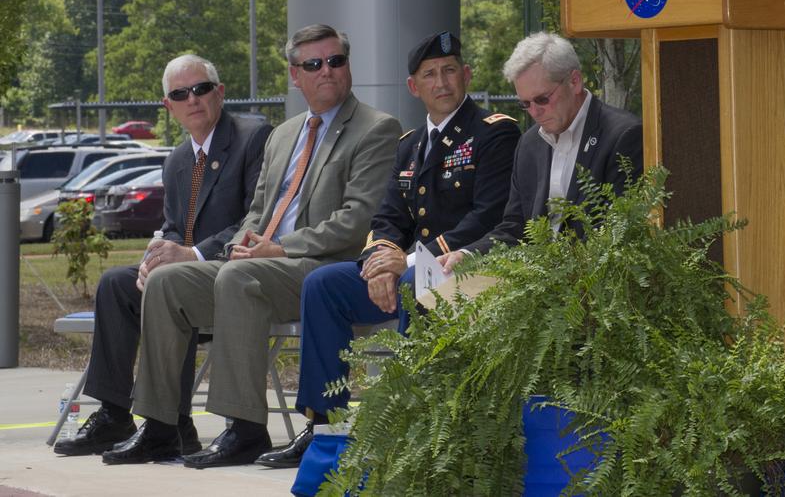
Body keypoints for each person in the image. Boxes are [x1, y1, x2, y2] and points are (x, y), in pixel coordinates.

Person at [103, 24, 401, 467]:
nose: (327, 71)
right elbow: (257, 213)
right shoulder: (284, 134)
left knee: (240, 277)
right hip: (261, 263)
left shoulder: (377, 129)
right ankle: (162, 428)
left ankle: (244, 429)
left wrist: (278, 249)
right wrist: (242, 245)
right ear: (295, 75)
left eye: (336, 61)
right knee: (166, 282)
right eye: (313, 64)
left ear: (348, 66)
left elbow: (356, 221)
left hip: (320, 267)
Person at [256, 31, 519, 469]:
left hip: (467, 269)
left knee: (420, 281)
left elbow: (489, 216)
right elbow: (387, 218)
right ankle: (325, 430)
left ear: (467, 75)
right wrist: (379, 264)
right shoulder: (409, 144)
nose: (442, 82)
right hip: (406, 270)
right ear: (414, 87)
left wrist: (409, 261)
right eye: (430, 74)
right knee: (323, 285)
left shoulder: (494, 134)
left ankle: (410, 428)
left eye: (450, 70)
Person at [53, 55, 270, 457]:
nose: (193, 99)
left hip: (232, 275)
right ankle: (116, 414)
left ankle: (171, 423)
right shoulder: (176, 160)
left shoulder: (252, 137)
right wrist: (156, 257)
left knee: (172, 284)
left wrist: (190, 255)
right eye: (179, 94)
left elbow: (254, 219)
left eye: (201, 89)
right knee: (118, 283)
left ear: (220, 92)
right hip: (188, 279)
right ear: (167, 106)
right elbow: (174, 226)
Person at [440, 31, 643, 269]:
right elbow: (515, 227)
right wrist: (469, 254)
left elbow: (620, 236)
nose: (534, 112)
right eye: (524, 104)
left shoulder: (623, 135)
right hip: (536, 287)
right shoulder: (529, 144)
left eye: (542, 99)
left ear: (574, 81)